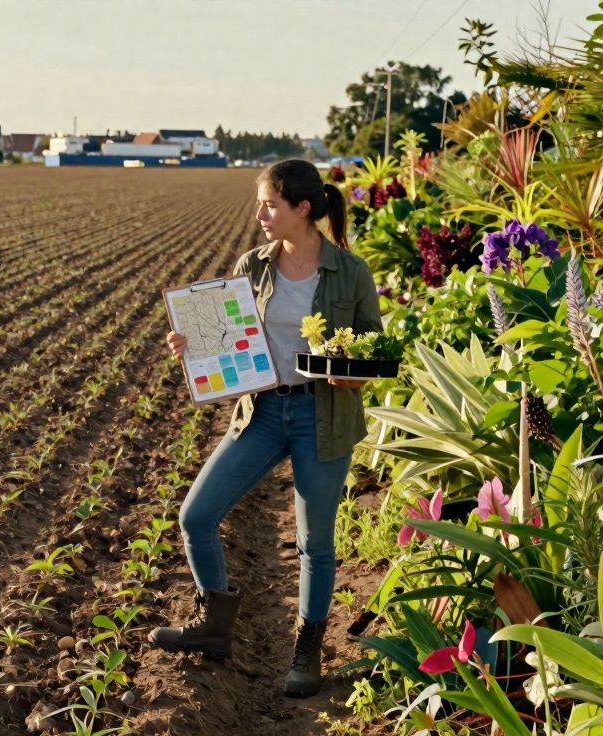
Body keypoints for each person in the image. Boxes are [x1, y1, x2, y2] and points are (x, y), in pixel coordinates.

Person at [148, 159, 382, 697]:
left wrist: (352, 373)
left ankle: (307, 650)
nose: (260, 214)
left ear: (302, 208)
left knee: (314, 544)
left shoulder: (351, 272)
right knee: (197, 516)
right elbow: (232, 337)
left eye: (270, 204)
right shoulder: (251, 265)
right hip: (262, 412)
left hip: (323, 416)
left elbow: (375, 346)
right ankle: (214, 625)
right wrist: (193, 344)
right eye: (261, 203)